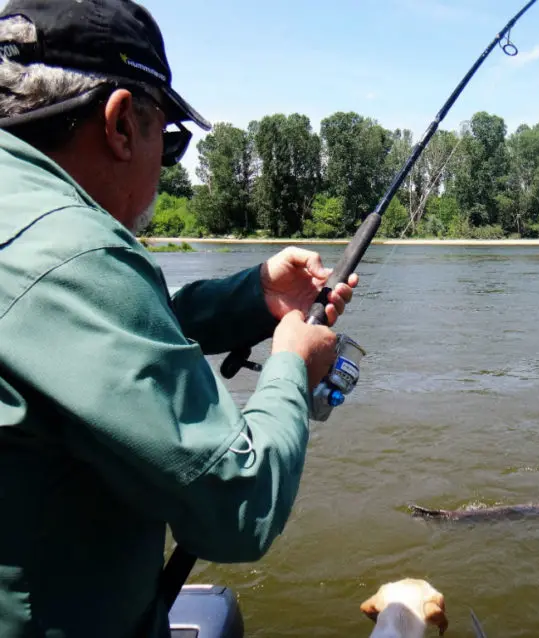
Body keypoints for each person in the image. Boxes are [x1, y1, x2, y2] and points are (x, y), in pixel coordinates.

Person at [0, 1, 359, 636]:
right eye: (169, 142)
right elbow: (240, 504)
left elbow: (103, 342)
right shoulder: (72, 252)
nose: (167, 169)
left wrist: (253, 296)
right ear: (119, 124)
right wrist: (291, 363)